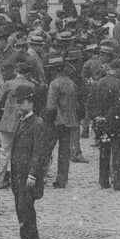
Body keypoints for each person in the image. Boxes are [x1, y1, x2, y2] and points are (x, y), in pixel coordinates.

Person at [9, 82, 47, 239]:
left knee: (26, 208)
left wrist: (33, 175)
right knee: (21, 206)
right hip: (18, 172)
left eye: (22, 101)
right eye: (17, 101)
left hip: (27, 174)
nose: (19, 104)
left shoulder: (37, 123)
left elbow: (39, 153)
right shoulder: (22, 121)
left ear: (31, 103)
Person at [89, 58, 120, 191]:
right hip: (116, 121)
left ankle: (103, 181)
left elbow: (90, 103)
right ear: (118, 69)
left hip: (101, 123)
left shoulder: (98, 83)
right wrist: (109, 116)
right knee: (118, 151)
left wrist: (98, 117)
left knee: (104, 150)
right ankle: (119, 183)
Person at [44, 58, 78, 188]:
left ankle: (41, 177)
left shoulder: (54, 84)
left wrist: (47, 120)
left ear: (54, 70)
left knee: (47, 149)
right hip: (69, 122)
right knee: (64, 152)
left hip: (55, 122)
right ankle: (62, 179)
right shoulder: (71, 83)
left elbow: (50, 106)